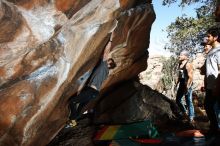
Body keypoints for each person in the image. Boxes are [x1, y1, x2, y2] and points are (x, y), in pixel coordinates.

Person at [67, 36, 116, 127]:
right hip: (93, 92)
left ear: (109, 64)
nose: (106, 59)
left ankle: (72, 120)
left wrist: (111, 40)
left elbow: (106, 52)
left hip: (91, 91)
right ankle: (74, 120)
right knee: (80, 106)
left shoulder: (104, 66)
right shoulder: (105, 72)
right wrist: (81, 89)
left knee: (72, 102)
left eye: (108, 60)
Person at [203, 27, 220, 134]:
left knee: (212, 107)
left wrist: (217, 87)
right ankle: (214, 129)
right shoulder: (211, 51)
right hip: (210, 86)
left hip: (217, 86)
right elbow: (208, 70)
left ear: (215, 37)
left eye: (209, 36)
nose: (207, 38)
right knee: (208, 106)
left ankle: (215, 129)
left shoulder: (219, 51)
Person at [175, 50, 195, 125]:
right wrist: (177, 83)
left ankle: (191, 118)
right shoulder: (180, 64)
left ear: (186, 57)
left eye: (181, 55)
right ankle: (184, 112)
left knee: (189, 101)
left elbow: (191, 77)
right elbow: (180, 75)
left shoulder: (188, 64)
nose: (179, 56)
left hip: (187, 84)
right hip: (182, 84)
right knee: (178, 100)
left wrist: (187, 86)